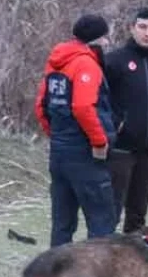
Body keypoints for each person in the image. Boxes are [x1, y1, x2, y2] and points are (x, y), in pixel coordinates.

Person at [34, 14, 118, 247]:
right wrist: (99, 142)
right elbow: (82, 107)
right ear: (98, 39)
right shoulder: (86, 64)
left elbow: (41, 106)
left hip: (59, 153)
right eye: (106, 37)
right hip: (85, 156)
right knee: (102, 224)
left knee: (62, 225)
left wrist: (57, 136)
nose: (108, 42)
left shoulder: (56, 62)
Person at [103, 7, 148, 233]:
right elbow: (98, 100)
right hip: (119, 151)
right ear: (132, 28)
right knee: (108, 215)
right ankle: (101, 265)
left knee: (137, 218)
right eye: (142, 27)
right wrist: (115, 125)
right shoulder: (114, 61)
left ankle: (131, 266)